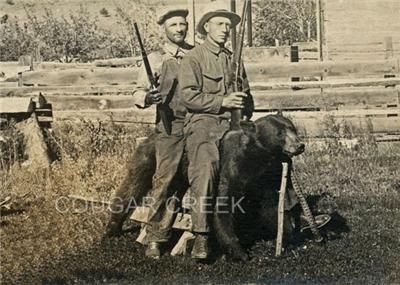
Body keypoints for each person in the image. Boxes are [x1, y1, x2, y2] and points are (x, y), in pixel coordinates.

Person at [105, 8, 193, 260]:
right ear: (164, 29)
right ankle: (155, 238)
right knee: (165, 181)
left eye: (183, 24)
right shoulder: (155, 59)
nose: (179, 28)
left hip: (198, 125)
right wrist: (147, 97)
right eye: (174, 24)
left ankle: (205, 234)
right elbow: (137, 92)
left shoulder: (196, 54)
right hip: (169, 128)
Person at [178, 9, 254, 259]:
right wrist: (223, 101)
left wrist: (245, 101)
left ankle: (286, 218)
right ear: (205, 28)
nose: (225, 29)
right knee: (207, 166)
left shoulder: (234, 58)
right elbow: (188, 96)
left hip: (232, 123)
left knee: (266, 154)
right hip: (203, 122)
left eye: (228, 26)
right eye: (219, 24)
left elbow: (247, 94)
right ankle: (202, 236)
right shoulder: (194, 57)